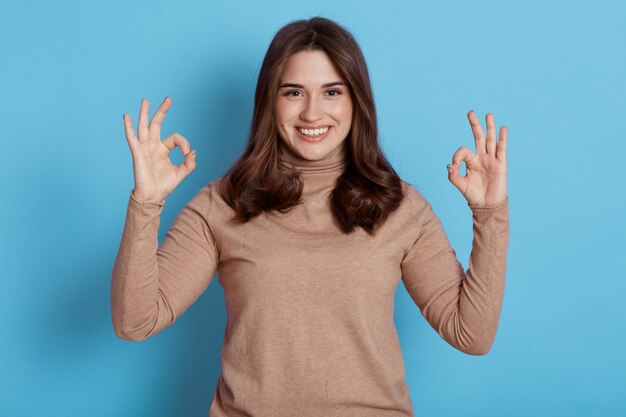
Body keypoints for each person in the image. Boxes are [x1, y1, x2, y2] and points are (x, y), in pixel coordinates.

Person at [111, 16, 510, 417]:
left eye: (332, 91)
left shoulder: (400, 207)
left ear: (357, 100)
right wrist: (146, 203)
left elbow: (470, 334)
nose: (313, 113)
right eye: (294, 92)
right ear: (271, 100)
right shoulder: (221, 205)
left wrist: (489, 214)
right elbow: (135, 321)